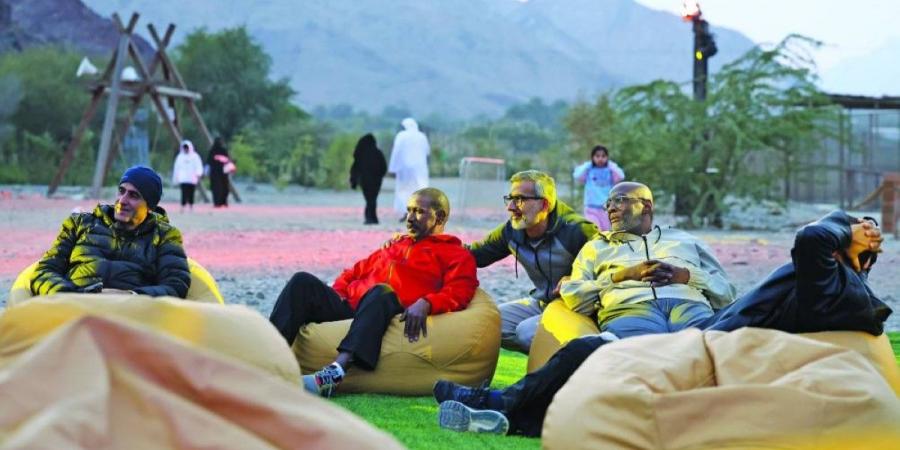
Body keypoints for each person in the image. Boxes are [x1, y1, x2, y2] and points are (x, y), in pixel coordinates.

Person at [433, 183, 891, 437]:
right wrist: (625, 277)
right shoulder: (598, 247)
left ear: (647, 206)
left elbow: (726, 289)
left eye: (621, 202)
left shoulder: (686, 242)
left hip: (692, 316)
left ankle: (504, 412)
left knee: (620, 367)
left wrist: (684, 276)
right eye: (608, 204)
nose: (610, 209)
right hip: (631, 316)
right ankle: (498, 407)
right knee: (594, 351)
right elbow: (572, 292)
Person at [268, 187, 478, 397]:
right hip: (351, 306)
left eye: (419, 212)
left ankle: (334, 374)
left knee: (381, 291)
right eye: (409, 210)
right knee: (301, 281)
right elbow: (352, 272)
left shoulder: (457, 255)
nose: (410, 218)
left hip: (385, 311)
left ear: (439, 217)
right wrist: (340, 292)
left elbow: (460, 291)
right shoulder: (395, 245)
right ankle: (265, 361)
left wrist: (428, 302)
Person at [468, 170, 598, 354]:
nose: (511, 207)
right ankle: (552, 365)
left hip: (579, 309)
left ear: (544, 204)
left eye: (520, 199)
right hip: (542, 303)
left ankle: (560, 376)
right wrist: (433, 246)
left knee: (527, 332)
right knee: (487, 323)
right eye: (510, 198)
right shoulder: (512, 230)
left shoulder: (577, 231)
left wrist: (576, 280)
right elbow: (474, 255)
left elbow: (608, 267)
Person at [30, 166, 191, 298]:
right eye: (121, 191)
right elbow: (44, 271)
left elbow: (176, 285)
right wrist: (69, 296)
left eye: (134, 195)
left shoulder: (164, 236)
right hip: (75, 309)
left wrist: (132, 296)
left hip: (129, 316)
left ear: (150, 207)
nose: (122, 201)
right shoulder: (80, 224)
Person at [572, 145, 624, 230]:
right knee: (595, 230)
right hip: (591, 208)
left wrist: (611, 165)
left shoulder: (610, 170)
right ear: (592, 157)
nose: (600, 159)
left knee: (605, 233)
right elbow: (577, 175)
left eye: (603, 156)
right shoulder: (589, 170)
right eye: (597, 156)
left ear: (607, 157)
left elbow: (620, 176)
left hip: (606, 208)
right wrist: (588, 165)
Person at [388, 118, 430, 221]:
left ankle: (406, 213)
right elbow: (427, 152)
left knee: (404, 190)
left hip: (405, 169)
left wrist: (392, 168)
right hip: (420, 169)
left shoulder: (401, 136)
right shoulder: (422, 136)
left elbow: (396, 152)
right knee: (420, 189)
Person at [350, 133, 388, 225]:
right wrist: (379, 175)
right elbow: (384, 167)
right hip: (376, 180)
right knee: (373, 198)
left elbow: (355, 168)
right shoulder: (378, 153)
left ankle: (370, 218)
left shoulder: (360, 154)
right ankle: (372, 217)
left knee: (369, 199)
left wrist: (354, 181)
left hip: (364, 180)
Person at [172, 139, 204, 212]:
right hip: (183, 178)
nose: (186, 149)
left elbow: (198, 166)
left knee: (191, 193)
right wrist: (176, 177)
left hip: (192, 178)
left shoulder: (195, 156)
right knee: (184, 192)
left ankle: (191, 206)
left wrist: (199, 173)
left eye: (187, 147)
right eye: (184, 148)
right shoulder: (180, 157)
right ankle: (183, 206)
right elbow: (176, 167)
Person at [207, 137, 232, 208]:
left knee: (221, 188)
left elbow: (227, 160)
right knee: (219, 188)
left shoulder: (218, 150)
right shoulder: (214, 151)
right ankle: (218, 202)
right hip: (219, 172)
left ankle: (221, 202)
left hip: (220, 172)